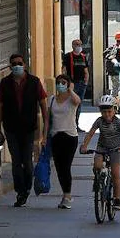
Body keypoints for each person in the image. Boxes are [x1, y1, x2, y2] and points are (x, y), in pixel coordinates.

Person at [0, 53, 50, 208]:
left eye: (19, 63)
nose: (17, 66)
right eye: (14, 64)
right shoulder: (5, 83)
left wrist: (45, 132)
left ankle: (27, 187)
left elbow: (44, 106)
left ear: (24, 65)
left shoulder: (34, 82)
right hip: (11, 128)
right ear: (10, 66)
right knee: (16, 160)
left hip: (29, 128)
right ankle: (20, 191)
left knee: (26, 160)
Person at [80, 94, 120, 210]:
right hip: (102, 147)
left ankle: (117, 199)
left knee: (115, 173)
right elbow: (91, 133)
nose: (107, 114)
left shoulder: (118, 122)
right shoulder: (99, 121)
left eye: (109, 111)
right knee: (97, 165)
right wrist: (84, 146)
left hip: (116, 149)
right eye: (104, 112)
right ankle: (98, 181)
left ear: (114, 110)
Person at [49, 73, 81, 210]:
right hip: (56, 135)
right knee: (59, 167)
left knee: (66, 166)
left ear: (68, 84)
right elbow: (47, 119)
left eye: (63, 82)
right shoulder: (51, 99)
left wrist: (70, 90)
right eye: (58, 82)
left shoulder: (71, 99)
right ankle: (65, 194)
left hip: (70, 136)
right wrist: (44, 138)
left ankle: (67, 196)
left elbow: (77, 101)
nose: (60, 85)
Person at [60, 39, 90, 116]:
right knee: (71, 103)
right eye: (77, 44)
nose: (79, 46)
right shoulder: (68, 56)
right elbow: (64, 70)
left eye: (80, 44)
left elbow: (86, 71)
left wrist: (85, 83)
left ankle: (76, 124)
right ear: (72, 46)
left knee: (79, 104)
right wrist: (66, 83)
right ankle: (71, 123)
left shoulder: (83, 57)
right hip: (72, 83)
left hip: (82, 84)